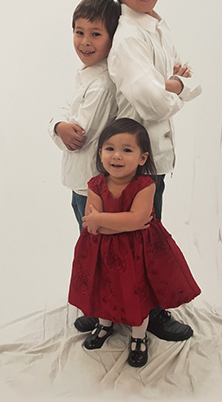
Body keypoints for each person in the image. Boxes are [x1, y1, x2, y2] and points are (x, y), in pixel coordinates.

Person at [72, 0, 202, 340]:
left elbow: (186, 73)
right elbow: (152, 101)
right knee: (138, 242)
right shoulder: (128, 37)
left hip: (152, 157)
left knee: (145, 239)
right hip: (132, 162)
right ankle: (144, 313)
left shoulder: (155, 26)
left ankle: (136, 309)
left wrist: (176, 85)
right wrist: (177, 89)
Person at [68, 118, 201, 368]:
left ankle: (139, 338)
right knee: (105, 289)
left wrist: (104, 220)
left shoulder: (145, 185)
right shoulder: (95, 184)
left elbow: (137, 219)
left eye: (127, 150)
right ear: (100, 153)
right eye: (110, 149)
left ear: (142, 158)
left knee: (136, 293)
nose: (117, 156)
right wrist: (119, 222)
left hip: (136, 254)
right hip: (101, 253)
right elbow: (91, 223)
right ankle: (104, 324)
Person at [49, 0, 120, 230]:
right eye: (79, 32)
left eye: (96, 34)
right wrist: (59, 125)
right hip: (80, 182)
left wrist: (60, 128)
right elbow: (66, 108)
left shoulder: (102, 84)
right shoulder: (87, 75)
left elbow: (78, 136)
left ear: (113, 38)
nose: (85, 42)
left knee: (93, 251)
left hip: (93, 186)